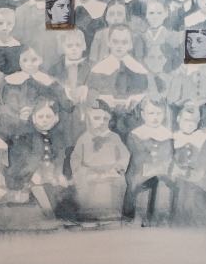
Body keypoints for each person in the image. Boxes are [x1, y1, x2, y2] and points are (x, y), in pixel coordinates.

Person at [69, 103, 129, 222]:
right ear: (89, 119)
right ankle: (89, 217)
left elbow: (124, 156)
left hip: (110, 172)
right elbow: (75, 160)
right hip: (90, 174)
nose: (101, 122)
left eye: (105, 118)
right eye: (96, 118)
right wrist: (84, 172)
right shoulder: (83, 139)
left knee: (118, 182)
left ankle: (111, 216)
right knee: (86, 186)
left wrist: (116, 169)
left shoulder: (114, 137)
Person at [125, 96, 174, 224]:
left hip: (161, 171)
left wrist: (161, 168)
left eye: (159, 113)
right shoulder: (136, 134)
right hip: (140, 172)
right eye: (151, 113)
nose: (155, 117)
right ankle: (140, 216)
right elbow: (135, 158)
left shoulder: (167, 134)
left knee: (164, 186)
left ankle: (161, 217)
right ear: (143, 114)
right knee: (142, 185)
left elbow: (168, 156)